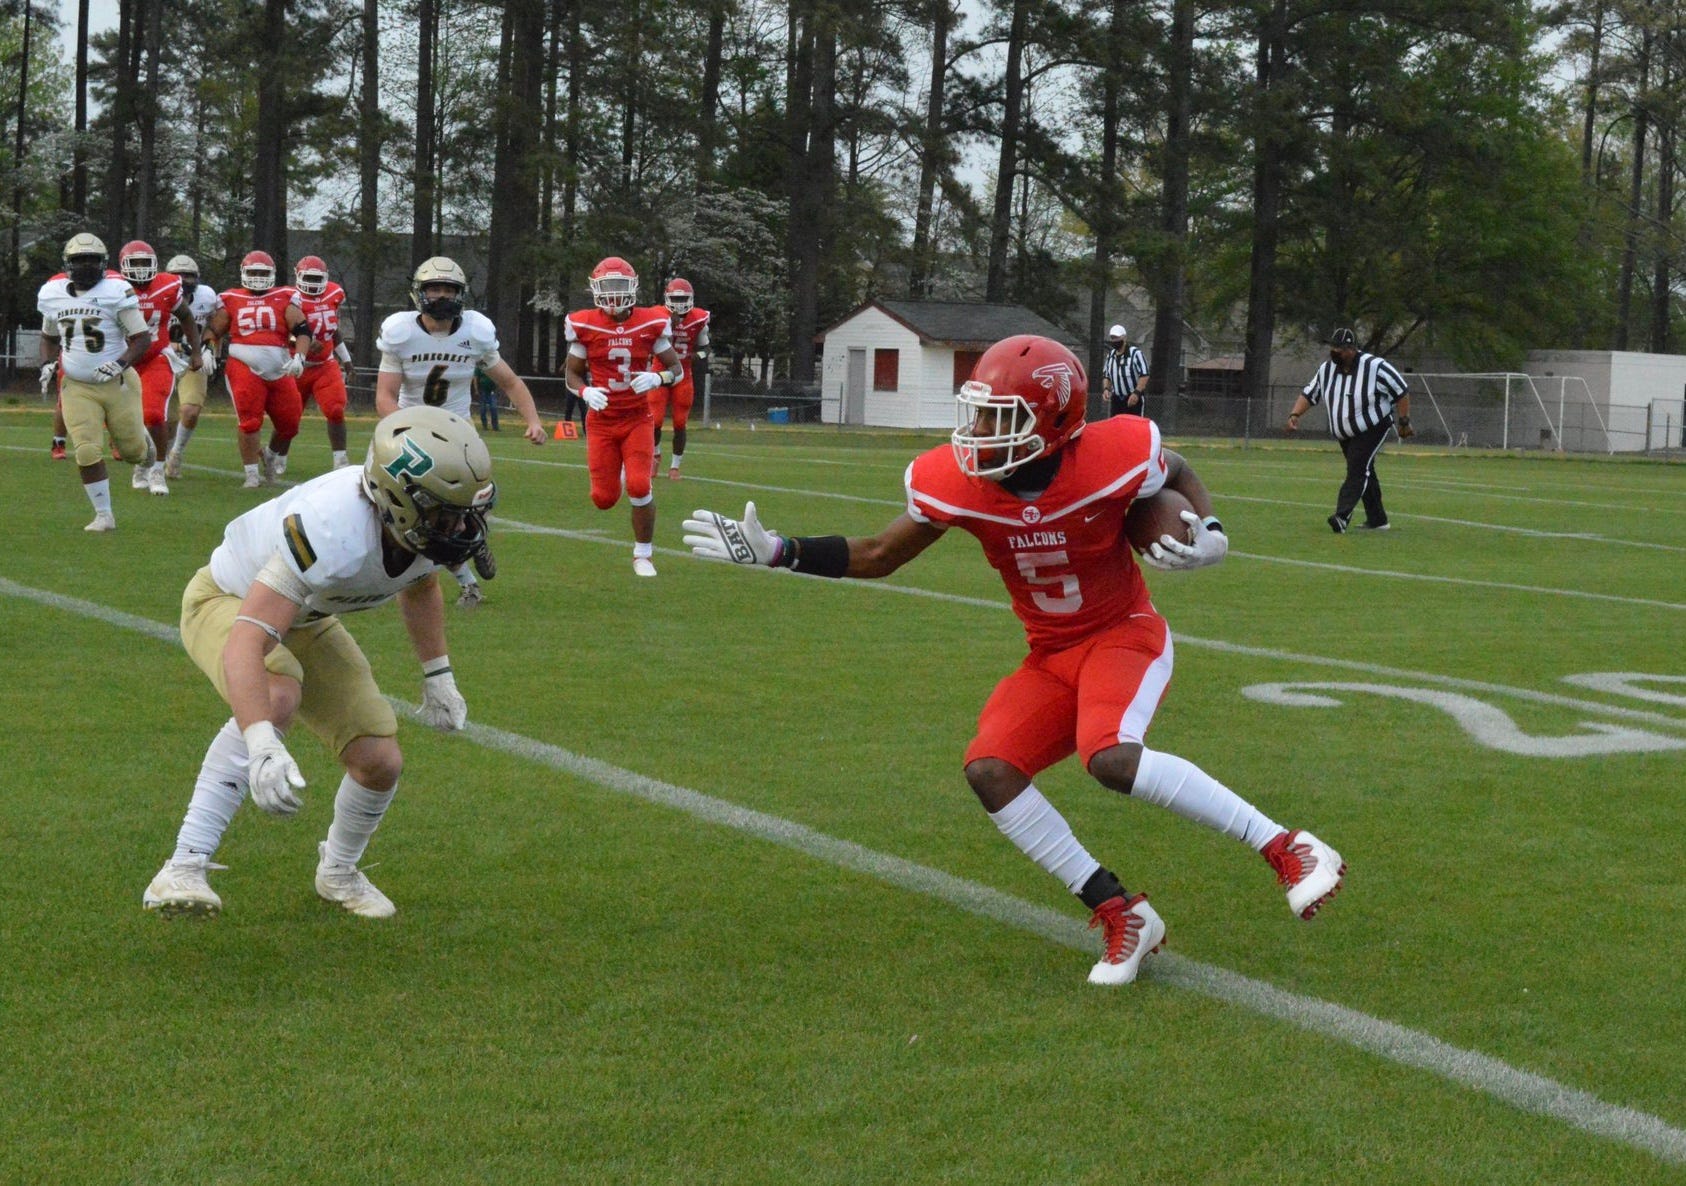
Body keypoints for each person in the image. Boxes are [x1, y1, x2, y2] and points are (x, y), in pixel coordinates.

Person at [683, 335, 1346, 986]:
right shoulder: (957, 482)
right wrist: (780, 551)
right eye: (976, 414)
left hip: (1124, 634)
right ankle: (1123, 914)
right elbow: (880, 554)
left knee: (1111, 756)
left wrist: (1214, 532)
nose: (977, 434)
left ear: (1056, 422)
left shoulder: (1110, 454)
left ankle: (1288, 845)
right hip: (1053, 653)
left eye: (1000, 420)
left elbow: (1172, 470)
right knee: (992, 770)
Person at [142, 406, 498, 919]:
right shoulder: (332, 525)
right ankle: (183, 865)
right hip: (228, 599)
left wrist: (438, 675)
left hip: (306, 618)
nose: (462, 525)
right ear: (398, 500)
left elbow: (420, 586)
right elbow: (247, 639)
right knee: (277, 694)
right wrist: (261, 742)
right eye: (447, 512)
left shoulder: (419, 529)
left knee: (379, 759)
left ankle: (338, 872)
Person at [374, 256, 546, 608]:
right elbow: (385, 396)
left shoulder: (475, 333)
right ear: (419, 293)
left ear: (461, 294)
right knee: (405, 517)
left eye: (448, 289)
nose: (440, 296)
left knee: (458, 513)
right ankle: (465, 579)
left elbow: (510, 382)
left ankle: (473, 541)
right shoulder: (401, 333)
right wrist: (405, 432)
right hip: (410, 432)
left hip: (457, 432)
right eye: (433, 289)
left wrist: (534, 420)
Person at [563, 256, 685, 576]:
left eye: (620, 286)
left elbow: (677, 369)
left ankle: (643, 554)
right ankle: (618, 475)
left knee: (640, 486)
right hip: (601, 421)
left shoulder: (650, 322)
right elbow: (571, 376)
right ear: (595, 289)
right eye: (607, 287)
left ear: (632, 287)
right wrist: (585, 391)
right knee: (603, 499)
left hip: (636, 417)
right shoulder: (585, 324)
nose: (614, 295)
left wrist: (658, 379)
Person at [37, 232, 157, 532]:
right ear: (68, 264)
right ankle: (104, 514)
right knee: (87, 449)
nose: (86, 266)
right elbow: (49, 337)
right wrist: (47, 363)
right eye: (80, 260)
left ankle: (145, 445)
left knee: (133, 454)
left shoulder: (117, 290)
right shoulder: (52, 294)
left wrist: (118, 363)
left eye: (92, 260)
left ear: (103, 263)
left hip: (118, 382)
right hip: (76, 384)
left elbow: (141, 339)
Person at [1284, 326, 1414, 533]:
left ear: (1351, 349)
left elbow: (1401, 390)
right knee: (1365, 471)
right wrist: (1295, 414)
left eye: (1339, 349)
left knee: (1357, 467)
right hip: (1345, 433)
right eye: (1333, 348)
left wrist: (1404, 421)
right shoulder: (1326, 370)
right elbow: (1310, 393)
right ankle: (1378, 519)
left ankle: (1342, 516)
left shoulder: (1375, 367)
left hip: (1373, 426)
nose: (1334, 352)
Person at [202, 250, 311, 488]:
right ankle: (251, 474)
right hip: (244, 365)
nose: (258, 278)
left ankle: (270, 455)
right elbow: (214, 330)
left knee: (290, 424)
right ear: (243, 273)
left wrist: (300, 357)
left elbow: (303, 330)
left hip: (280, 367)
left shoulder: (285, 296)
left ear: (272, 274)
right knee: (250, 422)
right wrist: (208, 349)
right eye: (254, 273)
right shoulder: (230, 298)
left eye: (263, 273)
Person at [117, 240, 202, 496]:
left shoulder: (167, 285)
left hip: (156, 356)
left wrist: (196, 351)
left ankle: (156, 469)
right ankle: (142, 462)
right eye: (135, 263)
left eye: (146, 263)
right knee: (125, 419)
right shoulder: (112, 288)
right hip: (122, 359)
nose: (141, 269)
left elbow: (186, 316)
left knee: (155, 415)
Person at [162, 254, 225, 479]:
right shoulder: (158, 294)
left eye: (188, 275)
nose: (183, 280)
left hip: (193, 359)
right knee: (163, 418)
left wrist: (212, 351)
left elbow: (217, 324)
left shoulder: (207, 296)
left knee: (190, 411)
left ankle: (176, 454)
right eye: (178, 275)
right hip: (163, 359)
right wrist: (176, 344)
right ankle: (163, 456)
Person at [291, 254, 354, 469]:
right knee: (288, 421)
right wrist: (302, 341)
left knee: (335, 409)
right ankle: (274, 455)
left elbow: (332, 331)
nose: (313, 283)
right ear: (298, 276)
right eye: (308, 277)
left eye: (317, 279)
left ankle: (340, 461)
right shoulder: (289, 299)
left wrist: (346, 359)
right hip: (296, 366)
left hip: (325, 364)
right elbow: (280, 333)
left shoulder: (334, 293)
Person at [650, 277, 710, 479]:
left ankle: (675, 466)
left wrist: (695, 356)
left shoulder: (698, 318)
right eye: (675, 298)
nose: (679, 302)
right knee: (655, 419)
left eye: (683, 297)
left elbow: (705, 349)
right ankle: (655, 456)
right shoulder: (658, 315)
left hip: (683, 373)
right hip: (660, 371)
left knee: (680, 423)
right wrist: (666, 324)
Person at [1100, 324, 1149, 417]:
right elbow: (1106, 375)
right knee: (1116, 428)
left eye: (1117, 338)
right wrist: (1106, 389)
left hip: (1133, 398)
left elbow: (1144, 374)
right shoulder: (1110, 356)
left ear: (1124, 338)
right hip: (1117, 400)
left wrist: (1136, 393)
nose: (1115, 340)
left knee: (1134, 428)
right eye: (1113, 338)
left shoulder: (1135, 354)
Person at [475, 365, 501, 432]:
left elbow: (498, 377)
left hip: (492, 391)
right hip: (482, 391)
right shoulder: (479, 367)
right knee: (483, 410)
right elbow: (475, 378)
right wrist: (476, 389)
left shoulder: (493, 366)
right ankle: (484, 426)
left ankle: (495, 427)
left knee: (494, 408)